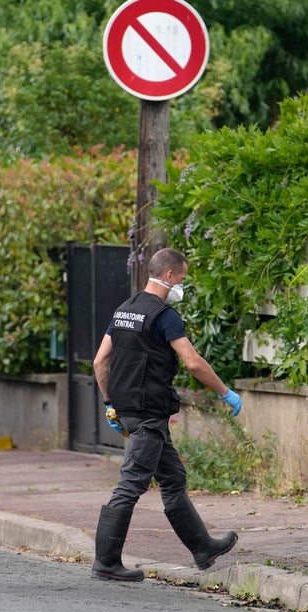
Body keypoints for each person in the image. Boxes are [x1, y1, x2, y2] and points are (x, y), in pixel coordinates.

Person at [90, 247, 243, 582]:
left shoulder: (124, 311)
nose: (181, 286)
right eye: (182, 278)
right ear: (170, 275)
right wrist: (224, 392)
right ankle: (106, 562)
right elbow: (192, 362)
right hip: (148, 415)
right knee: (130, 485)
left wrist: (108, 403)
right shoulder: (164, 316)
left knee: (173, 478)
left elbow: (100, 361)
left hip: (129, 410)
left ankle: (203, 548)